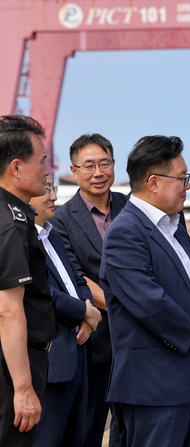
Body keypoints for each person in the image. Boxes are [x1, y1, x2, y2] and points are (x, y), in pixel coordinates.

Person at [99, 135, 190, 446]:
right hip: (155, 386)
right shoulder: (125, 231)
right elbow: (148, 300)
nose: (188, 186)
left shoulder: (175, 224)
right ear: (154, 182)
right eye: (182, 178)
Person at [51, 134, 128, 446]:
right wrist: (133, 306)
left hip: (141, 341)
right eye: (89, 165)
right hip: (97, 342)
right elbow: (75, 277)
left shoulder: (132, 207)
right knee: (89, 430)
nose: (98, 172)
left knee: (135, 427)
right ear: (73, 171)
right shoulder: (61, 219)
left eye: (104, 163)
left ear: (114, 164)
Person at [28, 175, 102, 447]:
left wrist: (88, 311)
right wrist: (83, 312)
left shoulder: (53, 236)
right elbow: (39, 291)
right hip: (51, 362)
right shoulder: (19, 238)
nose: (54, 196)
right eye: (46, 189)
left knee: (76, 438)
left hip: (78, 357)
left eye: (53, 188)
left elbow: (77, 280)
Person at [0, 115, 57, 446]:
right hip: (14, 367)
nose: (46, 171)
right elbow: (8, 310)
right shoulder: (12, 222)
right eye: (42, 161)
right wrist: (23, 388)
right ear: (17, 167)